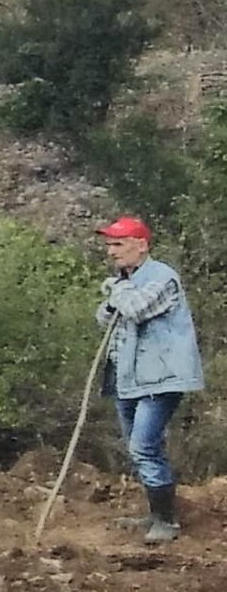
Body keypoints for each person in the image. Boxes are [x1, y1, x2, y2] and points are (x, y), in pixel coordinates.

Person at [95, 215, 201, 545]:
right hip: (128, 377)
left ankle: (167, 521)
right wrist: (116, 293)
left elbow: (136, 308)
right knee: (137, 447)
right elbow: (103, 317)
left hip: (161, 378)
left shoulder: (162, 278)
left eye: (118, 244)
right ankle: (155, 515)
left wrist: (116, 289)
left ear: (141, 245)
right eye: (109, 245)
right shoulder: (125, 281)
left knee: (143, 445)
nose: (111, 252)